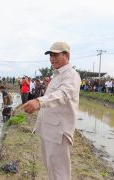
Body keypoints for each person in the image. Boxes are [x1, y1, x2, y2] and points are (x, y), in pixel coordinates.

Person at [22, 42, 81, 180]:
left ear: (66, 55)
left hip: (58, 133)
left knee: (60, 173)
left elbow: (63, 95)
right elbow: (51, 99)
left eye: (56, 55)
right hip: (47, 129)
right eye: (50, 55)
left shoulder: (71, 75)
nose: (52, 58)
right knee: (51, 168)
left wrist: (39, 102)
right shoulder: (57, 75)